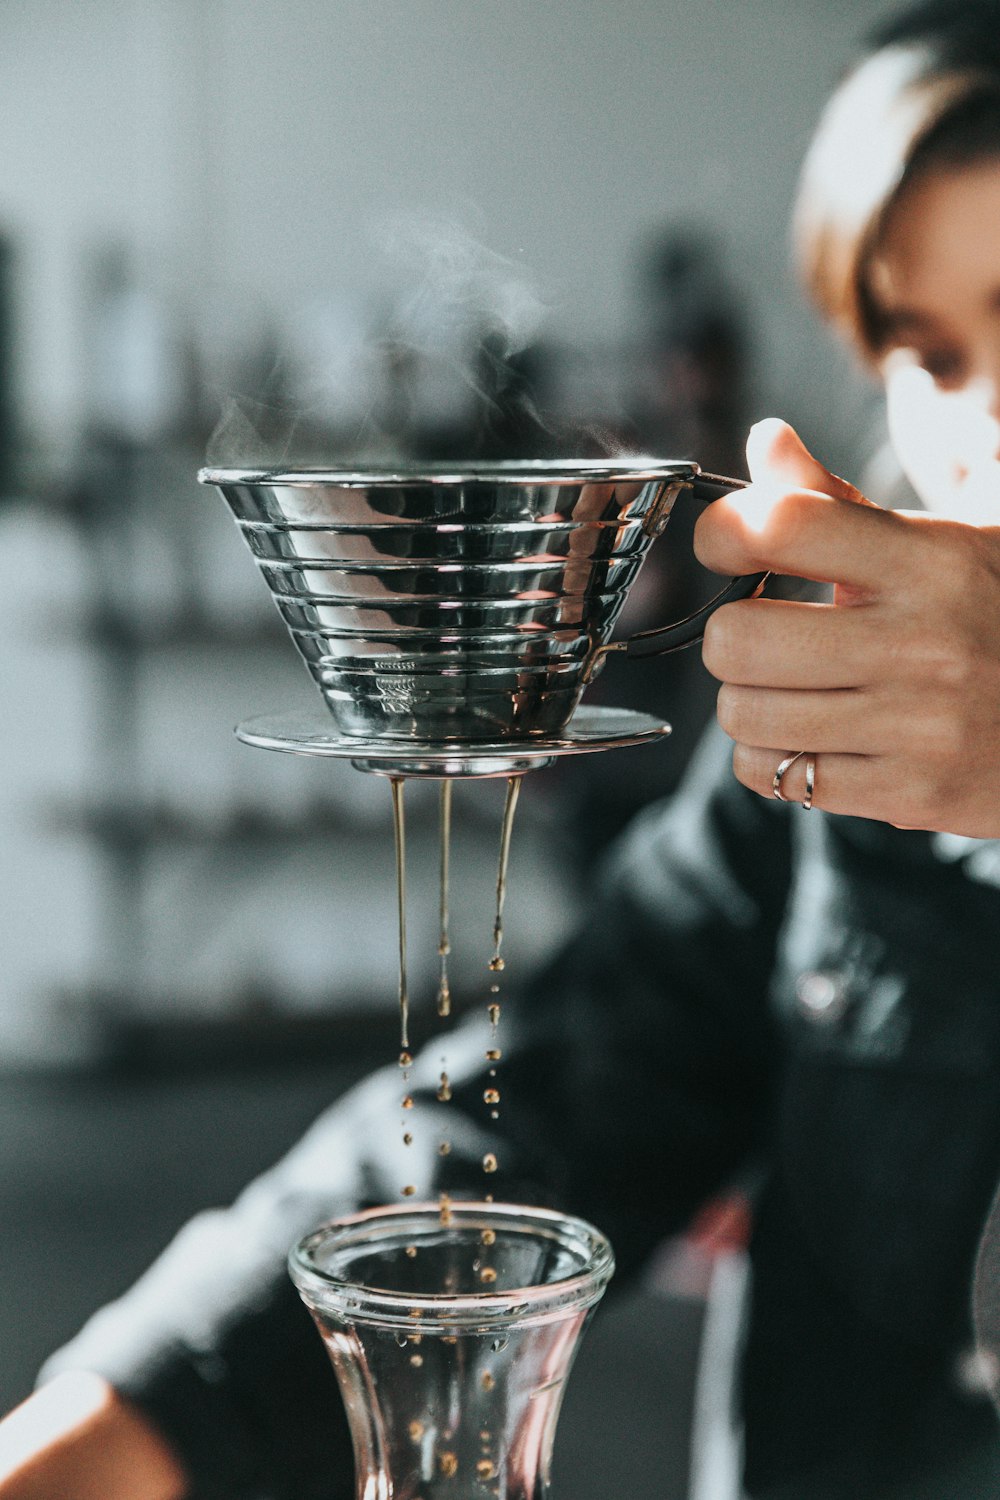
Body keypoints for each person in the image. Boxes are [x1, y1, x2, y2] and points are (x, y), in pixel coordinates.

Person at [7, 1, 1000, 1496]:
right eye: (929, 355)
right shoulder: (823, 810)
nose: (984, 426)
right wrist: (108, 1423)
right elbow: (541, 1099)